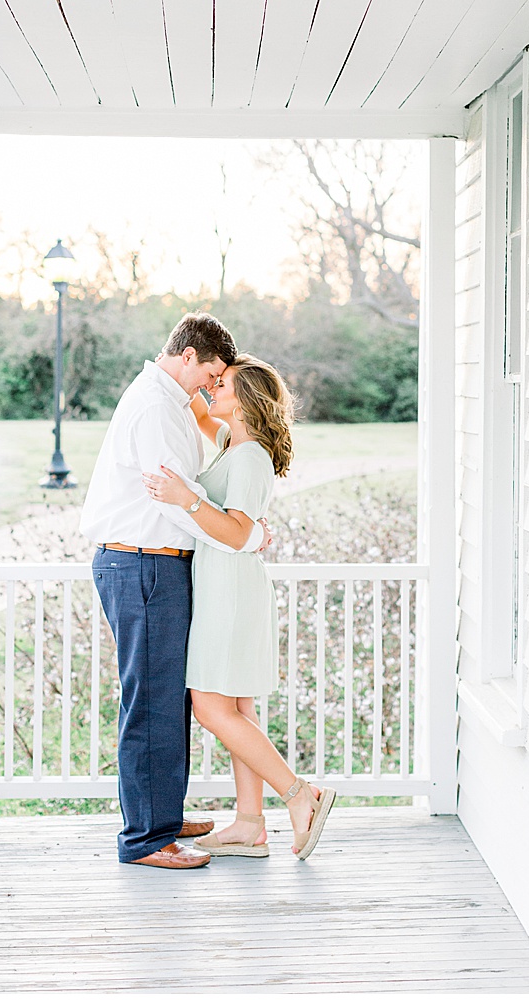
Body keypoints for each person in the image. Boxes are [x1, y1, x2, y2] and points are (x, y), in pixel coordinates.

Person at [81, 313, 266, 869]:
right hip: (143, 566)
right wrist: (243, 536)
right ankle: (146, 837)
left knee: (169, 698)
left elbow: (196, 483)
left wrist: (234, 529)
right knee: (151, 703)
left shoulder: (171, 404)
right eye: (211, 373)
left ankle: (160, 812)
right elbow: (173, 498)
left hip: (156, 567)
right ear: (188, 355)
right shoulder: (157, 407)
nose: (213, 385)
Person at [143, 354, 337, 859]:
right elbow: (197, 408)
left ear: (246, 399)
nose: (212, 387)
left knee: (211, 708)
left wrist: (186, 498)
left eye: (222, 383)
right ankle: (249, 824)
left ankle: (301, 795)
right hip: (224, 587)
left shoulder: (249, 457)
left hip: (228, 593)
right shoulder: (235, 444)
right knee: (238, 710)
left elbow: (235, 530)